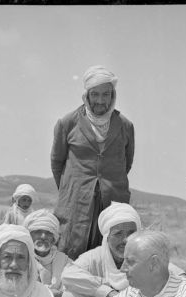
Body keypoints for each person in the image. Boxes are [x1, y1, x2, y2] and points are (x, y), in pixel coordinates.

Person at [51, 65, 135, 259]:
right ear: (86, 95)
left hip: (112, 202)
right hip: (75, 203)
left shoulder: (125, 126)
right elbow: (57, 163)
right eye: (95, 94)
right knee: (70, 255)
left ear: (113, 95)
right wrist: (72, 189)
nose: (100, 100)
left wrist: (107, 185)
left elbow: (126, 164)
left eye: (106, 94)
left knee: (111, 255)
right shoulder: (68, 123)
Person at [23, 208, 72, 297]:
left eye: (48, 233)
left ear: (54, 238)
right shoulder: (21, 260)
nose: (43, 236)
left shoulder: (65, 262)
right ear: (29, 235)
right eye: (38, 232)